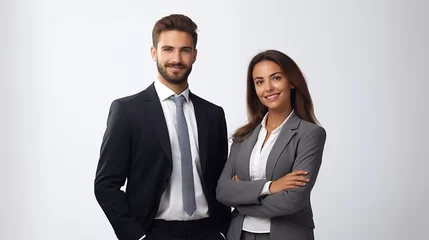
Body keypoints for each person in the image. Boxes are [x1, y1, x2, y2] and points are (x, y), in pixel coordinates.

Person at [94, 14, 230, 240]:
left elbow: (220, 180)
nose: (176, 58)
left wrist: (224, 231)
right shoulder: (127, 111)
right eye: (168, 49)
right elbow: (105, 185)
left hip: (208, 232)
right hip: (154, 232)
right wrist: (136, 236)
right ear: (153, 52)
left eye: (185, 50)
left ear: (194, 55)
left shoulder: (213, 115)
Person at [216, 50, 327, 240]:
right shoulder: (243, 136)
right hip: (240, 234)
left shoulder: (309, 134)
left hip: (287, 234)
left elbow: (293, 200)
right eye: (259, 82)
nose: (267, 88)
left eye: (275, 78)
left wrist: (242, 200)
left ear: (291, 81)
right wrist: (272, 186)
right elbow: (222, 191)